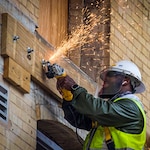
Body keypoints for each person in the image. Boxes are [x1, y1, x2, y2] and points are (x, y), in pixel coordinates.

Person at [56, 60, 146, 150]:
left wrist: (74, 88)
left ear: (125, 81)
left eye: (110, 76)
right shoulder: (111, 111)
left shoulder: (131, 108)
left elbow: (97, 110)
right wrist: (69, 96)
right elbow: (79, 119)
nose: (104, 82)